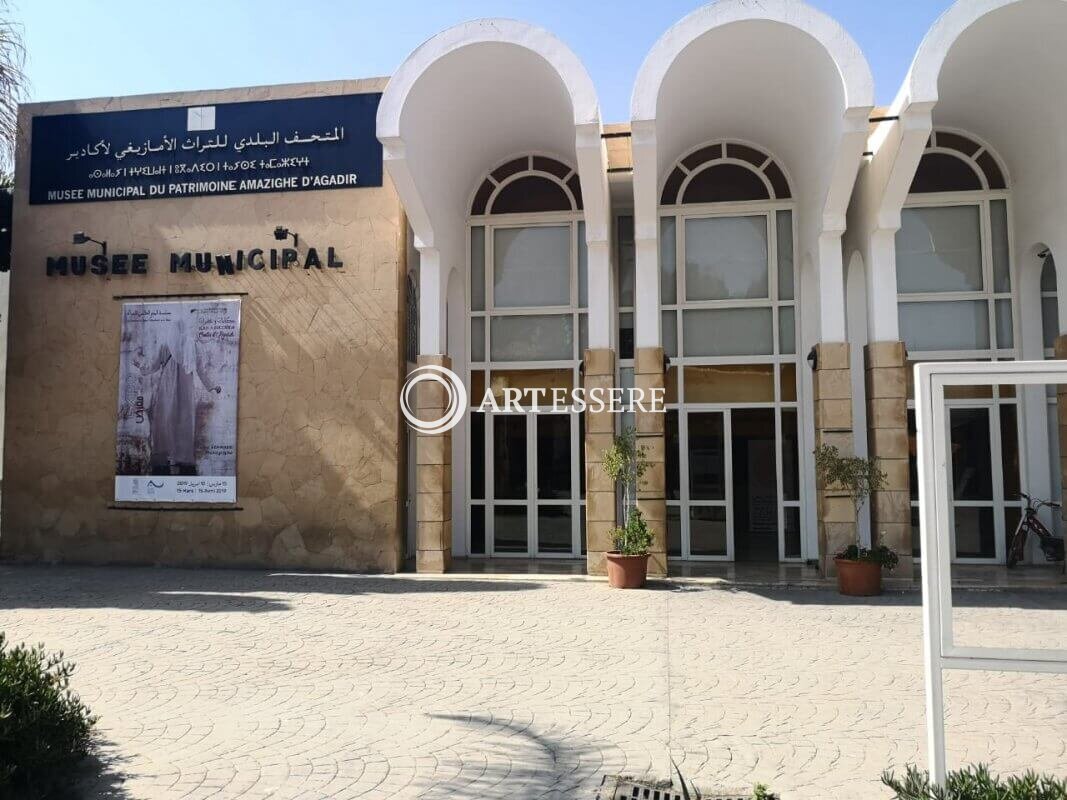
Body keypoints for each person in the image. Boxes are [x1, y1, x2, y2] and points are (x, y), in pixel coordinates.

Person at [134, 312, 221, 476]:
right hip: (185, 389)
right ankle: (181, 458)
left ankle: (167, 457)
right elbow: (201, 370)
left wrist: (140, 368)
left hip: (167, 388)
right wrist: (212, 386)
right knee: (183, 422)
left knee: (167, 420)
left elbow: (153, 365)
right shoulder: (192, 345)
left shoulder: (166, 344)